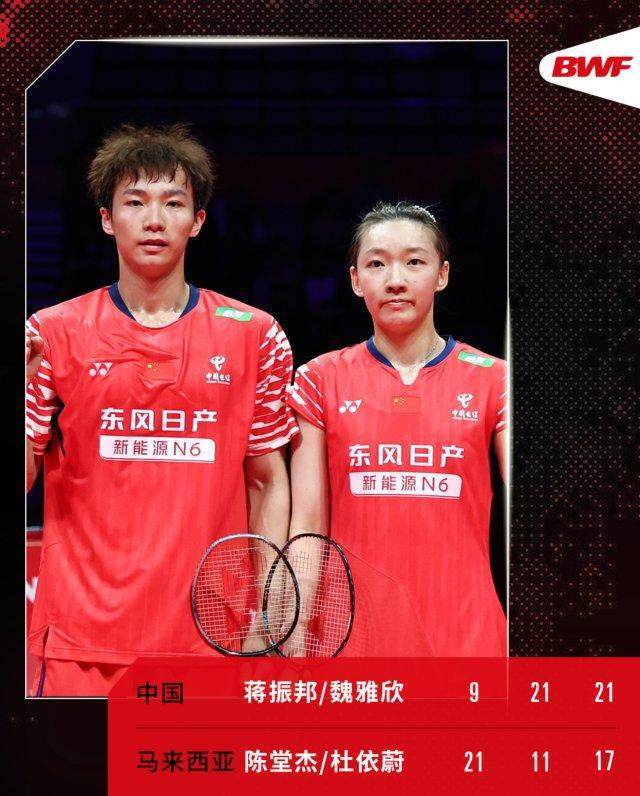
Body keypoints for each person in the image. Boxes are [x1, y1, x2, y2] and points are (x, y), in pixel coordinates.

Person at [25, 124, 298, 696]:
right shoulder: (51, 335)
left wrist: (265, 612)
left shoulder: (257, 336)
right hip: (81, 640)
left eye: (173, 203)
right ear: (107, 219)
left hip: (210, 639)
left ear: (197, 221)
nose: (154, 220)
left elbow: (268, 483)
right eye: (135, 202)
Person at [287, 201, 507, 656]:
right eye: (376, 264)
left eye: (414, 262)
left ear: (442, 275)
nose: (395, 280)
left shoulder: (496, 380)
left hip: (467, 640)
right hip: (352, 643)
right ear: (355, 280)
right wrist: (297, 625)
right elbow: (308, 524)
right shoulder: (318, 380)